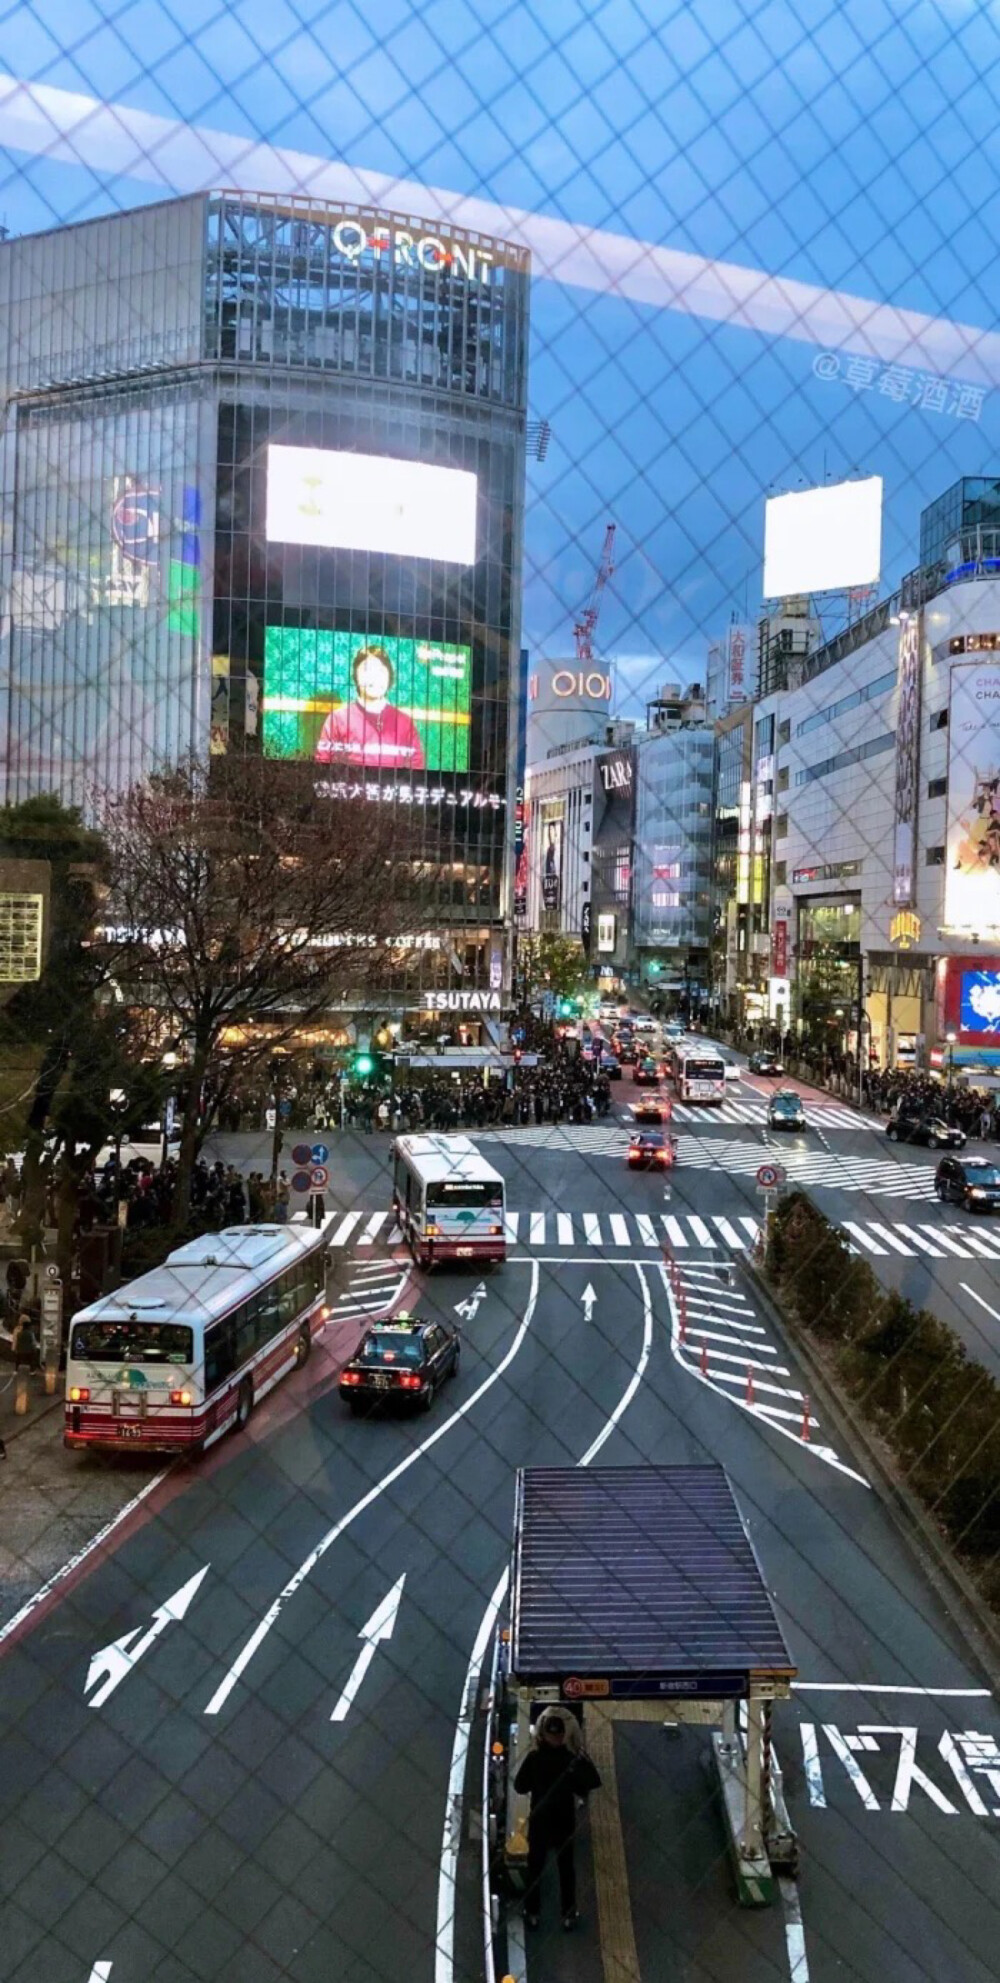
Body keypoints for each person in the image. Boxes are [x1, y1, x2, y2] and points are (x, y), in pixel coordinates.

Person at [514, 1706, 601, 1932]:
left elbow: (519, 1786)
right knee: (566, 1869)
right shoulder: (571, 1761)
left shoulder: (535, 1758)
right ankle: (568, 1914)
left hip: (540, 1820)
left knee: (535, 1869)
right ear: (563, 1736)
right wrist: (582, 1759)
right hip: (564, 1821)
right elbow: (592, 1781)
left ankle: (532, 1913)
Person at [314, 645, 426, 771]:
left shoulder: (405, 722)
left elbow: (417, 770)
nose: (375, 677)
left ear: (389, 677)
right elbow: (322, 765)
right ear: (355, 676)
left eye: (381, 671)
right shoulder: (337, 719)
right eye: (367, 670)